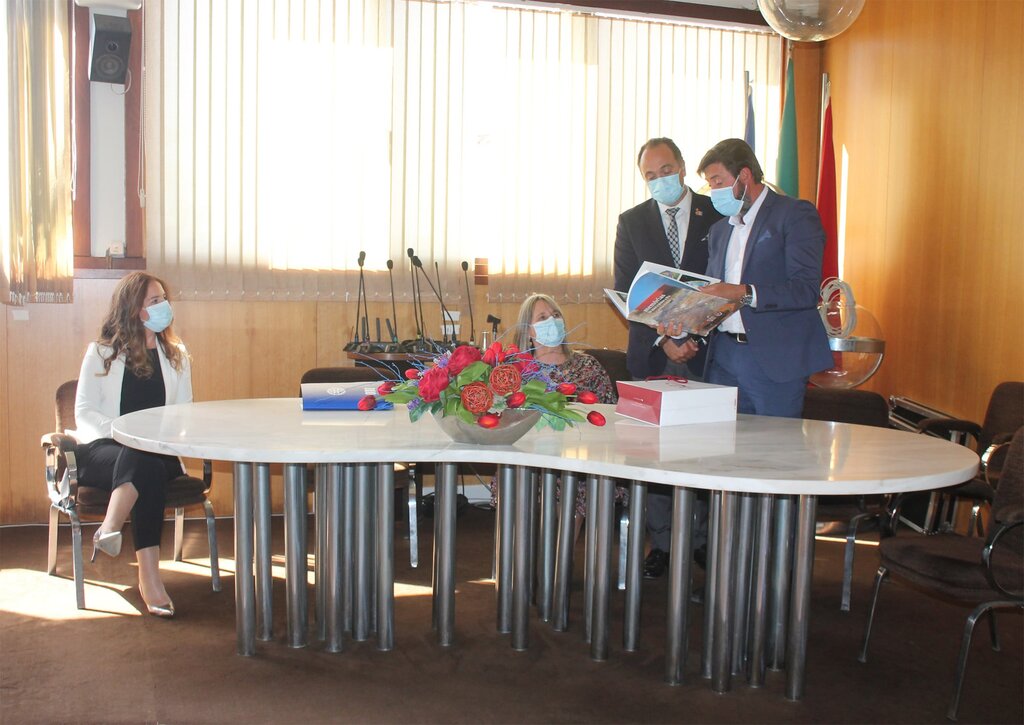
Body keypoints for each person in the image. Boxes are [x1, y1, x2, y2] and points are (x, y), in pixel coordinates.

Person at [613, 137, 723, 579]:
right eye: (650, 176)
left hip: (708, 353)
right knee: (653, 455)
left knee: (705, 452)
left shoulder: (717, 212)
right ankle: (661, 543)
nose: (659, 180)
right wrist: (665, 342)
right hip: (654, 354)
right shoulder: (632, 222)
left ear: (681, 166)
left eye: (665, 170)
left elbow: (725, 282)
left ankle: (702, 541)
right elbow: (627, 291)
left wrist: (693, 333)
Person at [70, 271, 194, 618]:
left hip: (160, 452)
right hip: (104, 449)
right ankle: (149, 580)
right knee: (143, 460)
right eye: (155, 301)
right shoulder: (101, 352)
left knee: (148, 461)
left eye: (164, 299)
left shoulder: (176, 355)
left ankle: (111, 528)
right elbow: (84, 412)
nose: (164, 306)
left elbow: (185, 412)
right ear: (135, 309)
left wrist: (158, 438)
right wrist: (124, 433)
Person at [489, 293, 618, 518]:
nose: (552, 320)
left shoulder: (588, 366)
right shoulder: (516, 370)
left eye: (556, 315)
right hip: (527, 457)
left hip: (577, 459)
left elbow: (609, 415)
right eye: (542, 317)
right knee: (516, 478)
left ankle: (561, 541)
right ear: (529, 331)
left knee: (571, 484)